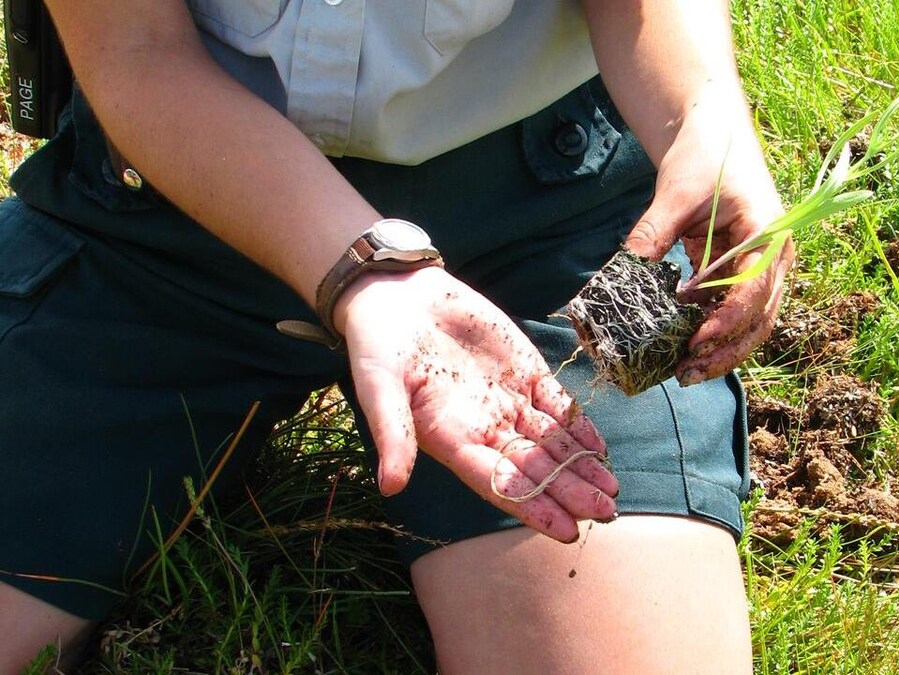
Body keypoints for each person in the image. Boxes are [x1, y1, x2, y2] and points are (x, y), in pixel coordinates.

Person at [0, 1, 793, 671]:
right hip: (168, 202)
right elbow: (136, 52)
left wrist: (702, 108)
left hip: (540, 216)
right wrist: (367, 269)